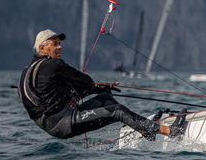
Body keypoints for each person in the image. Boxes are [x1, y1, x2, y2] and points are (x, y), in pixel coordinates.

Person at [18, 29, 186, 140]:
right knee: (116, 111)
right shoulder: (53, 65)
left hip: (54, 122)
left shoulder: (29, 70)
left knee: (105, 98)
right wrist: (93, 86)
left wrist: (100, 89)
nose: (60, 47)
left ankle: (144, 130)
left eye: (59, 43)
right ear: (42, 47)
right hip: (62, 122)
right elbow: (85, 82)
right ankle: (169, 132)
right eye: (55, 44)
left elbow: (54, 96)